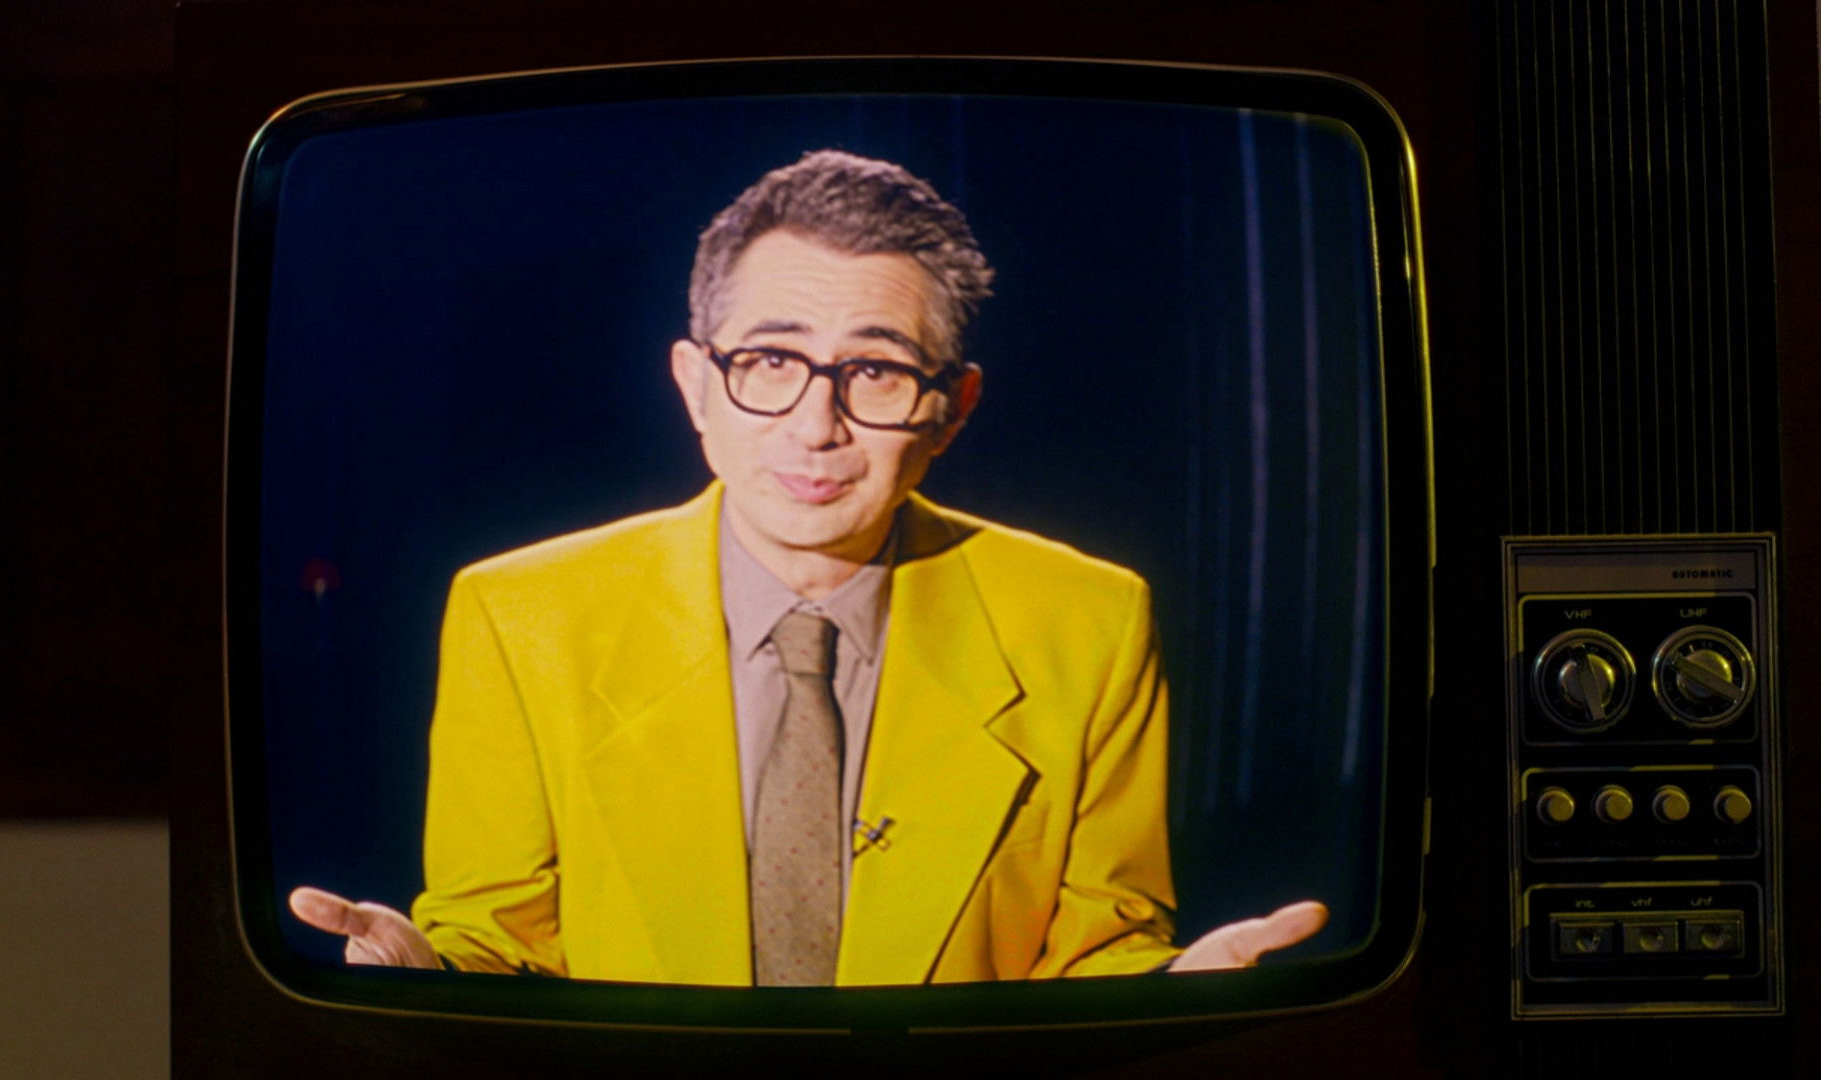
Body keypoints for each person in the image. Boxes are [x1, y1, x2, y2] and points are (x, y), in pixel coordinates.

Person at [290, 150, 1326, 985]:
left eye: (875, 370)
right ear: (696, 386)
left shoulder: (1090, 622)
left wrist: (1175, 992)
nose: (815, 426)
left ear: (952, 410)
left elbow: (1099, 952)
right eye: (770, 362)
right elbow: (499, 944)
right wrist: (428, 974)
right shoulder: (519, 615)